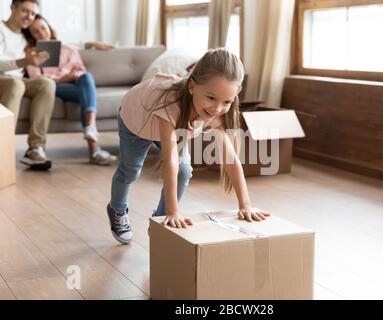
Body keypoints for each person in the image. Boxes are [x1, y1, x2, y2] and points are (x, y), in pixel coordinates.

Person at [107, 48, 270, 245]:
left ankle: (160, 220)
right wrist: (174, 211)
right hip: (137, 120)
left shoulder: (216, 111)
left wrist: (246, 205)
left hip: (172, 125)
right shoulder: (170, 103)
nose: (217, 109)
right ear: (192, 86)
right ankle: (117, 208)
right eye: (211, 98)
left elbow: (230, 158)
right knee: (130, 171)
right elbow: (170, 161)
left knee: (184, 171)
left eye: (226, 101)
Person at [23, 14, 117, 165]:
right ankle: (94, 150)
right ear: (31, 36)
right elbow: (38, 80)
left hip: (75, 85)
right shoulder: (32, 54)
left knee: (86, 79)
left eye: (43, 28)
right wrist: (62, 78)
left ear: (49, 27)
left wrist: (72, 76)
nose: (41, 33)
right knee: (84, 92)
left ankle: (91, 129)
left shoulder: (68, 48)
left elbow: (80, 70)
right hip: (52, 87)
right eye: (35, 32)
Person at [0, 0, 55, 169]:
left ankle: (35, 148)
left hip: (18, 80)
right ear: (12, 7)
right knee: (17, 84)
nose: (29, 17)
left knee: (47, 84)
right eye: (25, 11)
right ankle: (3, 147)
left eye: (32, 13)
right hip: (3, 77)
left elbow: (56, 40)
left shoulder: (27, 36)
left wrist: (88, 44)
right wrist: (24, 61)